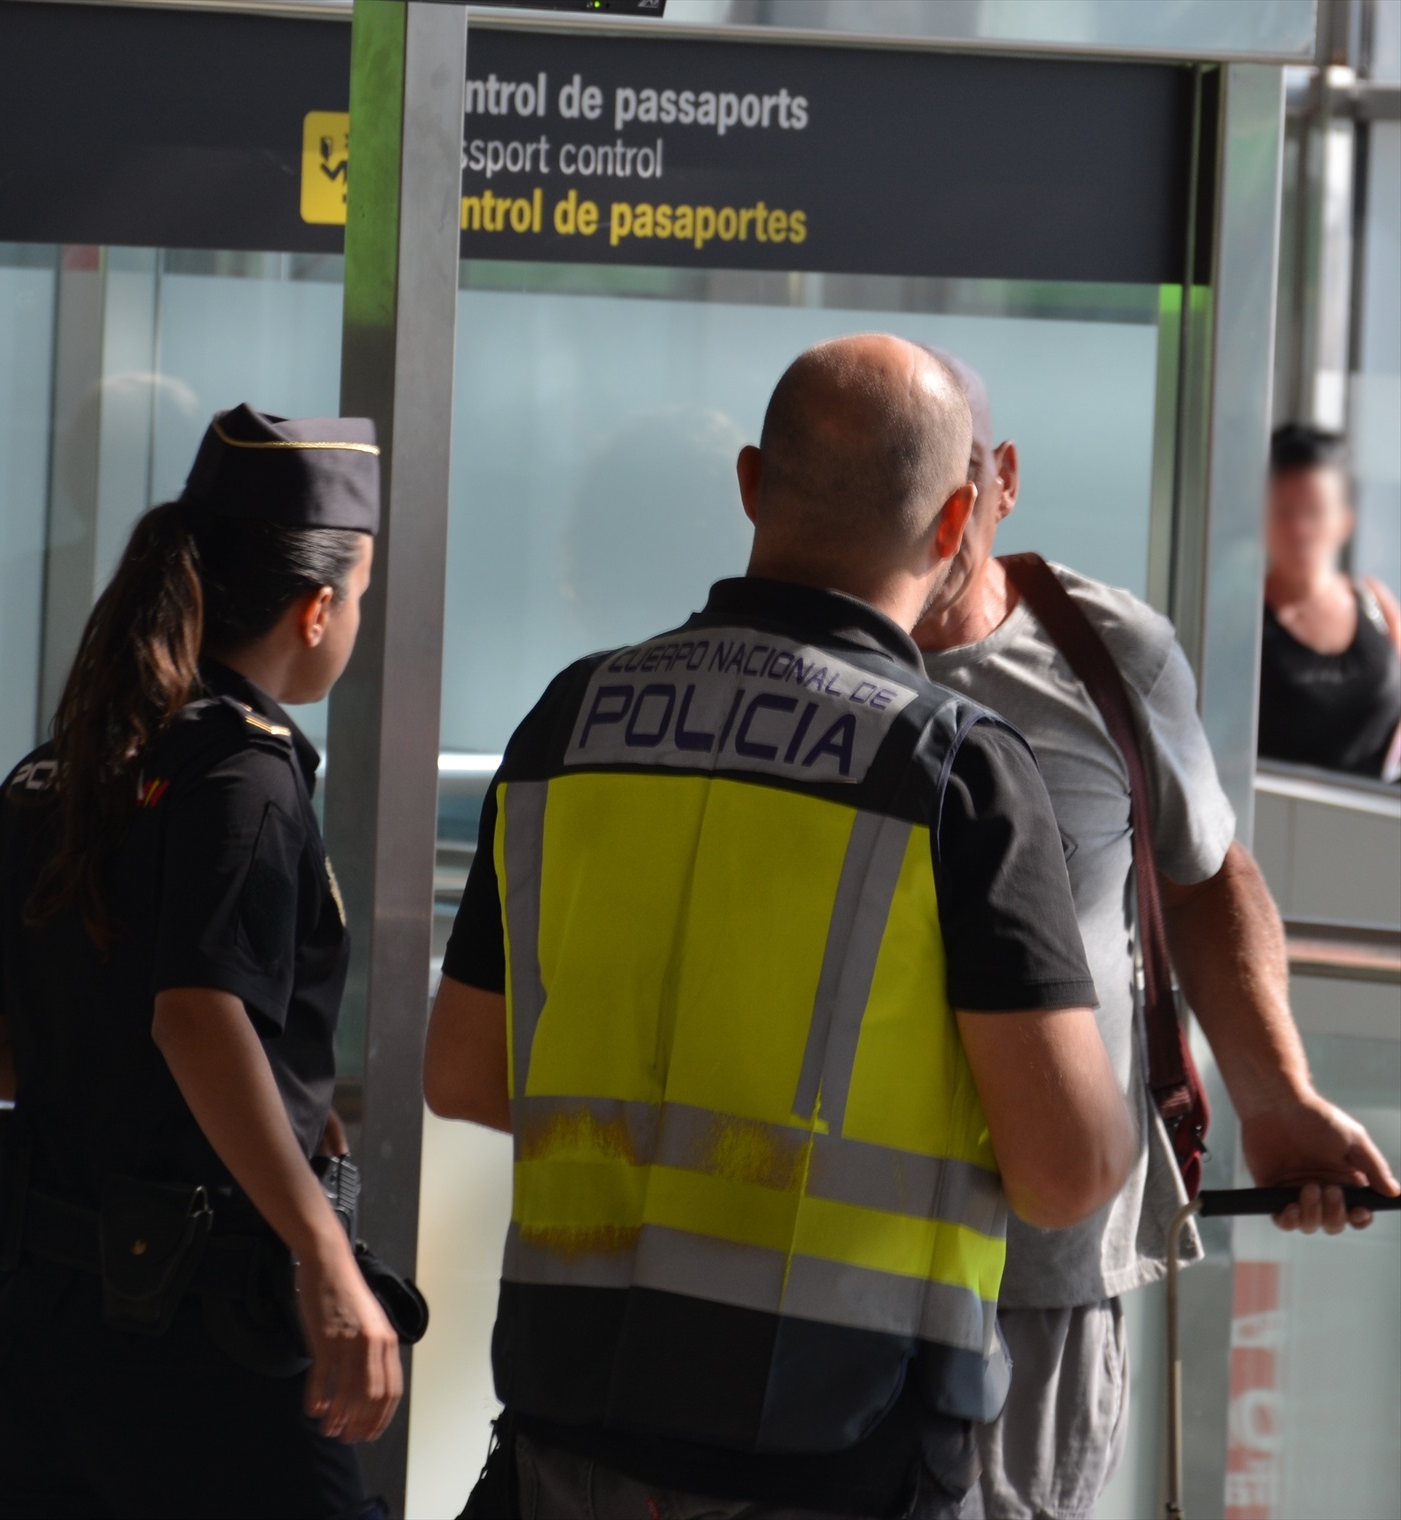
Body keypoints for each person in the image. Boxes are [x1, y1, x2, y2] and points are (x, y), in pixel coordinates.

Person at [426, 334, 1138, 1520]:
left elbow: (463, 1068)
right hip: (830, 1447)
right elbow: (1065, 1171)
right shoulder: (950, 767)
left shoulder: (571, 720)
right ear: (963, 513)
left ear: (751, 483)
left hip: (569, 1431)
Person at [908, 357, 1400, 1519]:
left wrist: (1275, 1095)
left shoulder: (1103, 647)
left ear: (1002, 482)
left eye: (956, 488)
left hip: (1044, 1280)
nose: (934, 531)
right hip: (825, 1265)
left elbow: (1207, 881)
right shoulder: (809, 659)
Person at [0, 405, 402, 1519]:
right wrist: (323, 1251)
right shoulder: (247, 777)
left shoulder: (58, 770)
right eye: (362, 596)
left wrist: (232, 1096)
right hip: (197, 1357)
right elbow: (195, 1018)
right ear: (317, 606)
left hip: (39, 1344)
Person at [1258, 423, 1401, 782]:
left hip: (1373, 819)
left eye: (1315, 511)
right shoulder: (1241, 618)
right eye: (1285, 511)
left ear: (1345, 521)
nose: (1300, 529)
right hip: (1279, 822)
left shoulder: (1375, 601)